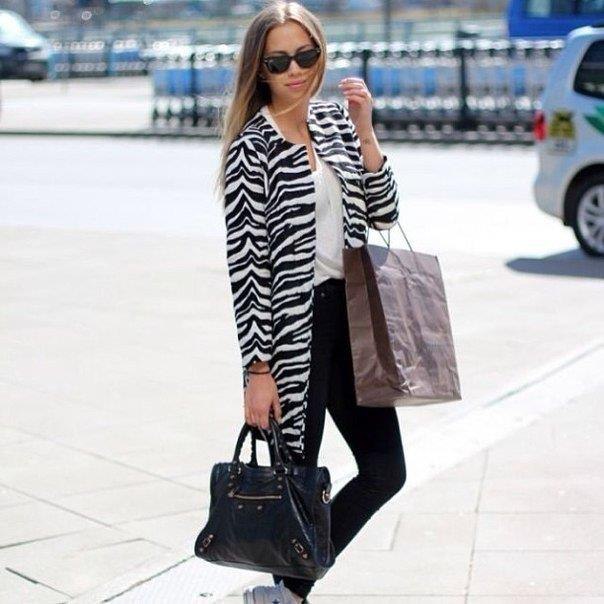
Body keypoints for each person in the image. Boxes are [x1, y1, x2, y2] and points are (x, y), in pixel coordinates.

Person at [215, 2, 406, 602]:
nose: (295, 70)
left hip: (353, 318)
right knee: (294, 483)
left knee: (385, 470)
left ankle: (288, 590)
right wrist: (257, 371)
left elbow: (385, 213)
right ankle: (287, 594)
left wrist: (366, 130)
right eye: (279, 61)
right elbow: (247, 268)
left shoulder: (334, 124)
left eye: (306, 54)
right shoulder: (253, 147)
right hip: (294, 334)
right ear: (259, 68)